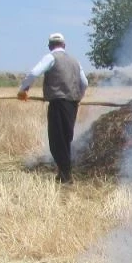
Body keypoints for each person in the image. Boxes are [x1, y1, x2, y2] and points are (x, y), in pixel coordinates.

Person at [18, 32, 88, 184]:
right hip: (72, 104)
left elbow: (34, 73)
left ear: (50, 46)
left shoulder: (50, 57)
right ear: (64, 45)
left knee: (57, 140)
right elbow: (85, 83)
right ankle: (63, 173)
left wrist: (23, 89)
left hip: (58, 103)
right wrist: (79, 97)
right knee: (66, 138)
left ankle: (66, 175)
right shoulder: (75, 61)